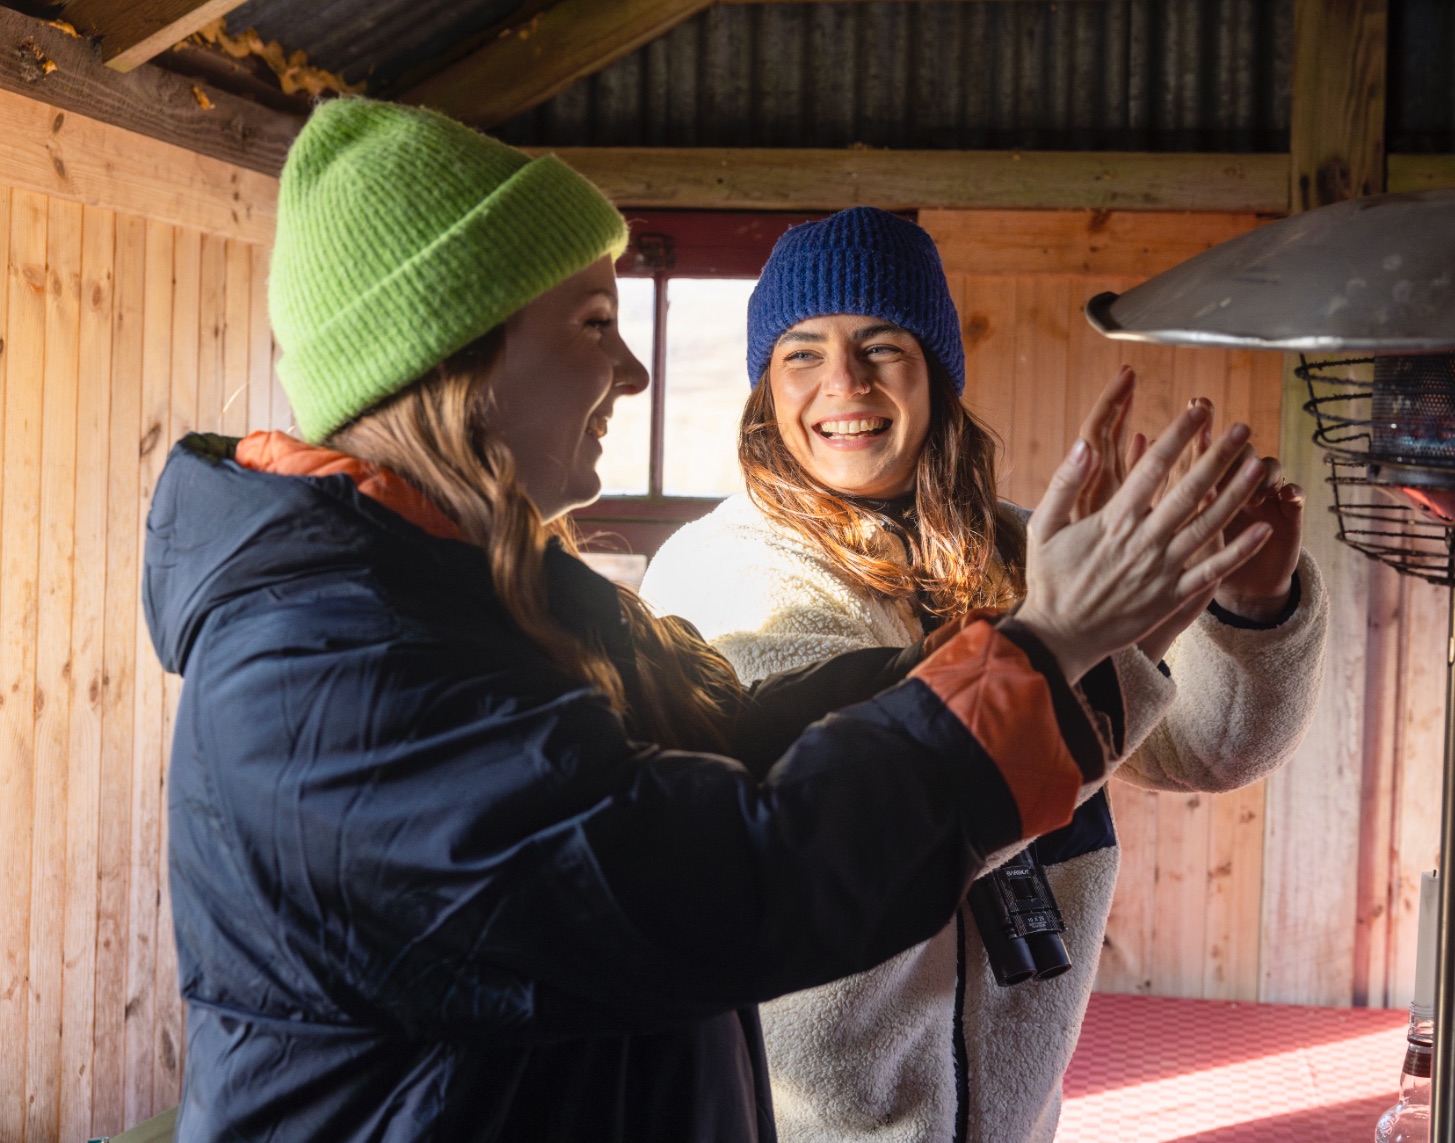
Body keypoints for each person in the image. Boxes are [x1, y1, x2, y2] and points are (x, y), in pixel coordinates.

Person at [141, 104, 1280, 1143]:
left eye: (884, 345)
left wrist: (1071, 641)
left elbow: (731, 737)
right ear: (459, 354)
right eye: (595, 320)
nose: (634, 370)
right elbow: (730, 880)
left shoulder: (478, 598)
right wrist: (1046, 649)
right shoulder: (335, 674)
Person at [638, 207, 1330, 1143]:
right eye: (802, 352)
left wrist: (1249, 604)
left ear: (937, 373)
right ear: (766, 384)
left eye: (880, 345)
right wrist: (1090, 637)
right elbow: (882, 816)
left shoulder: (1019, 546)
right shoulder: (720, 569)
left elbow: (1208, 750)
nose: (842, 381)